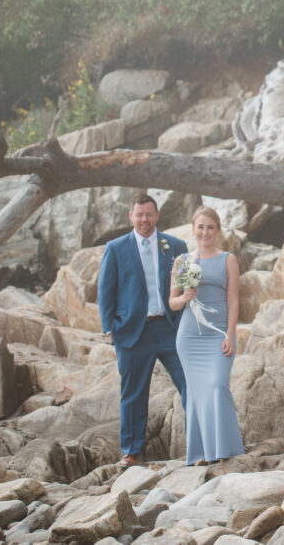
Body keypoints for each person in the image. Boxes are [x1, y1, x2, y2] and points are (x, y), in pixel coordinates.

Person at [98, 193, 188, 468]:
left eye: (149, 215)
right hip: (132, 332)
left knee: (190, 384)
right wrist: (110, 329)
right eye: (139, 215)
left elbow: (185, 286)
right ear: (131, 217)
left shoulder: (175, 245)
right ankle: (131, 451)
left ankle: (203, 439)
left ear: (157, 216)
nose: (144, 220)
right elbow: (105, 291)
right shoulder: (116, 248)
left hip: (170, 328)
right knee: (134, 393)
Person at [170, 206, 246, 464]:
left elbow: (234, 301)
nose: (205, 232)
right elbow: (171, 303)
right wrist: (184, 296)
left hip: (218, 334)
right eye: (200, 227)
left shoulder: (228, 259)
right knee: (197, 392)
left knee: (217, 384)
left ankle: (226, 447)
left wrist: (230, 334)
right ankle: (202, 452)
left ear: (218, 230)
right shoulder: (182, 262)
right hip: (190, 337)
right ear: (193, 230)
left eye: (210, 227)